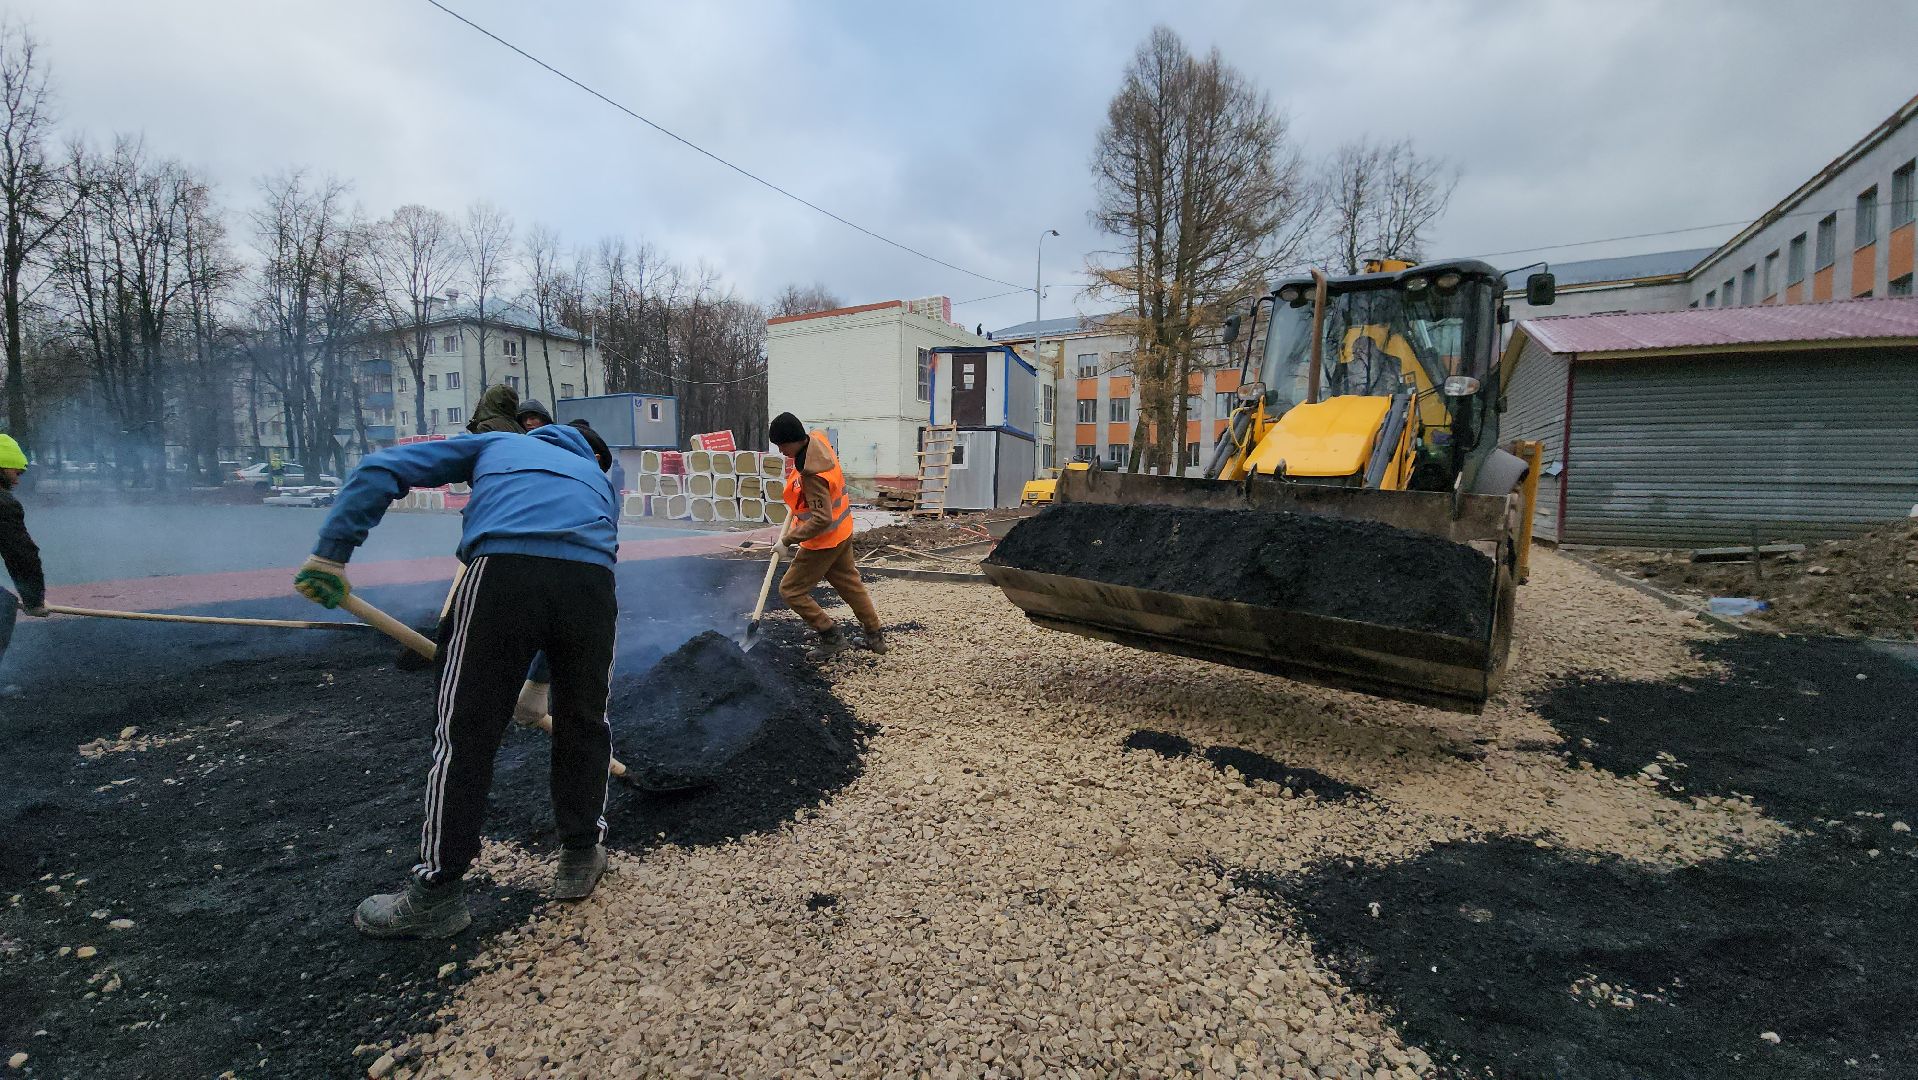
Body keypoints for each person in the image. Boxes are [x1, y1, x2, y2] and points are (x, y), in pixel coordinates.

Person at [294, 421, 620, 939]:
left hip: (503, 573)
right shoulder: (600, 478)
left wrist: (331, 553)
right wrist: (541, 685)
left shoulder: (498, 443)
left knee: (466, 733)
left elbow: (381, 468)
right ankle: (581, 855)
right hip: (593, 587)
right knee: (584, 721)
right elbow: (571, 560)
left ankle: (438, 894)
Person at [768, 412, 885, 660]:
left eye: (781, 445)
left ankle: (831, 636)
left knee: (791, 591)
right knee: (850, 585)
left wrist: (787, 540)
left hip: (823, 542)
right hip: (843, 532)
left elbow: (821, 519)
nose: (780, 451)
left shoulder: (813, 474)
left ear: (792, 440)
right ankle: (875, 636)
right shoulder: (818, 440)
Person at [0, 435, 48, 682]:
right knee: (2, 607)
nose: (18, 478)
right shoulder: (3, 504)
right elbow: (21, 555)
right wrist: (33, 601)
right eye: (15, 472)